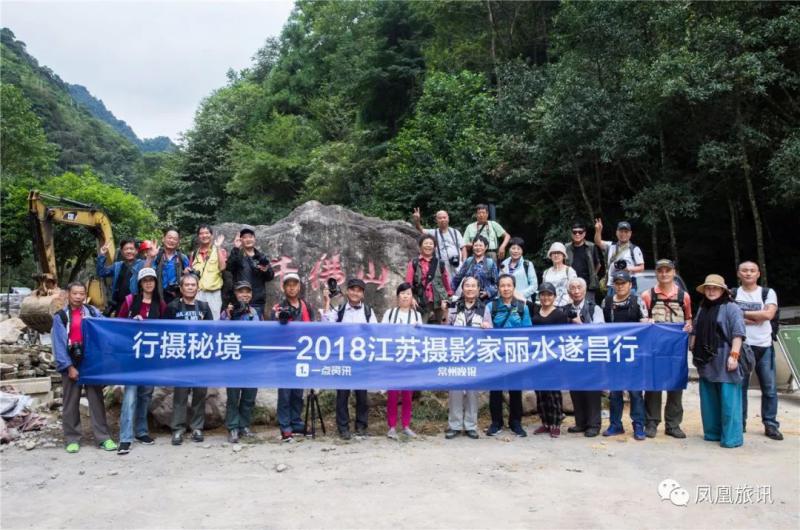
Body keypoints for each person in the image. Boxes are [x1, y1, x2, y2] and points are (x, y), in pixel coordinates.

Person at [51, 282, 117, 453]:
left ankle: (103, 437)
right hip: (71, 361)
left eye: (81, 293)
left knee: (96, 400)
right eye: (75, 293)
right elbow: (59, 345)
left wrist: (131, 321)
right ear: (68, 294)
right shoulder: (61, 317)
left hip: (91, 361)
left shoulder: (93, 312)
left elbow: (108, 327)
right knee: (70, 402)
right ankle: (72, 438)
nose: (78, 297)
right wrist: (68, 367)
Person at [691, 274, 749, 448]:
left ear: (722, 290)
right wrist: (692, 348)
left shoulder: (731, 308)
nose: (711, 291)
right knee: (709, 400)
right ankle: (712, 433)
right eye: (708, 288)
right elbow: (695, 329)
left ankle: (731, 438)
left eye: (715, 288)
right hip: (706, 358)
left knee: (729, 400)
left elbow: (738, 333)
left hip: (725, 356)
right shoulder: (703, 308)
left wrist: (734, 355)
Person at [115, 267, 167, 455]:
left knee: (146, 395)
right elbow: (118, 324)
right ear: (140, 283)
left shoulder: (160, 304)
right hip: (132, 356)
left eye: (151, 280)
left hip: (150, 357)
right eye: (145, 280)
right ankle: (125, 437)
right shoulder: (130, 301)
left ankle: (141, 431)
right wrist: (132, 320)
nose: (148, 283)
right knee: (130, 395)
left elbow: (165, 329)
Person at [640, 258, 692, 439]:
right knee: (653, 385)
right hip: (654, 348)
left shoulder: (684, 296)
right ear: (656, 273)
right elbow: (641, 319)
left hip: (676, 349)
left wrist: (689, 326)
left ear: (674, 272)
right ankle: (651, 422)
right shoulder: (647, 295)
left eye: (667, 271)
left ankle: (673, 424)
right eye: (660, 271)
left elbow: (688, 317)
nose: (664, 274)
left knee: (676, 385)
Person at [323, 278, 378, 439]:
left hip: (361, 360)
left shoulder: (368, 311)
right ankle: (343, 428)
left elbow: (376, 332)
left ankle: (361, 426)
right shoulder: (339, 309)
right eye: (352, 289)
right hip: (343, 358)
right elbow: (325, 325)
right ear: (347, 291)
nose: (355, 293)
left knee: (362, 395)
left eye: (359, 290)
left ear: (363, 294)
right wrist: (327, 302)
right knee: (342, 395)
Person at [734, 261, 783, 440]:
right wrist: (757, 316)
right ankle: (740, 424)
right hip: (741, 346)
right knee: (740, 388)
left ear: (758, 274)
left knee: (769, 389)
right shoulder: (733, 293)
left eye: (752, 270)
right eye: (744, 270)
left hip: (764, 346)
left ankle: (770, 425)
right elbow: (729, 316)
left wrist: (741, 313)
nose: (748, 273)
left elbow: (768, 315)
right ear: (738, 273)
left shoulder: (767, 293)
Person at [164, 273, 214, 445]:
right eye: (187, 285)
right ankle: (178, 429)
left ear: (197, 288)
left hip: (200, 357)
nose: (190, 287)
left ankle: (197, 427)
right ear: (181, 288)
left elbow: (211, 331)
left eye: (193, 285)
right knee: (180, 394)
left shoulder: (204, 307)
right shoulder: (172, 307)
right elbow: (165, 331)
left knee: (200, 393)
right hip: (180, 358)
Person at [601, 271, 649, 441]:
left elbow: (646, 323)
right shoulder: (606, 302)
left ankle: (638, 425)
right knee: (615, 392)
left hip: (634, 353)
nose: (620, 286)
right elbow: (601, 326)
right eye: (617, 283)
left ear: (630, 284)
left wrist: (646, 322)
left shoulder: (637, 301)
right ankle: (615, 424)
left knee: (635, 392)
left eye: (623, 283)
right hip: (614, 353)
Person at [483, 274, 532, 437]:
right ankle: (496, 422)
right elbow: (486, 329)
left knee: (515, 389)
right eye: (502, 285)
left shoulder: (522, 307)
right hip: (496, 353)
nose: (505, 288)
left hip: (515, 353)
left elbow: (528, 331)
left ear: (514, 287)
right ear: (498, 288)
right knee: (495, 389)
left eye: (509, 285)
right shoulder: (491, 306)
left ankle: (515, 422)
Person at [270, 272, 315, 442]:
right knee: (285, 392)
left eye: (294, 284)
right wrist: (276, 319)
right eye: (288, 285)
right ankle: (285, 425)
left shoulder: (306, 306)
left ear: (299, 287)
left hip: (302, 354)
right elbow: (271, 331)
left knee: (298, 391)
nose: (291, 288)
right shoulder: (278, 308)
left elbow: (313, 329)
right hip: (284, 355)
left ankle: (296, 421)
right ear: (284, 288)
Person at [381, 283, 423, 439]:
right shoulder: (390, 314)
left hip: (409, 358)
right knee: (392, 394)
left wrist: (418, 329)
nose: (405, 296)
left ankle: (406, 425)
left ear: (412, 297)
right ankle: (391, 426)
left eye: (408, 294)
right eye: (403, 293)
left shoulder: (417, 316)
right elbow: (381, 333)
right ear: (398, 296)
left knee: (407, 395)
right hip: (393, 357)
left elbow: (421, 338)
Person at [221, 281, 261, 444]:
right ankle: (232, 427)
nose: (245, 295)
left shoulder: (255, 312)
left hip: (251, 359)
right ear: (235, 294)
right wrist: (229, 316)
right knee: (233, 396)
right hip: (233, 359)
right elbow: (220, 330)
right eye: (241, 292)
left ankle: (244, 425)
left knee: (249, 395)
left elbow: (261, 332)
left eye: (247, 291)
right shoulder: (228, 311)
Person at [565, 277, 605, 437]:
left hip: (591, 354)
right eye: (572, 288)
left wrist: (579, 324)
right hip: (573, 354)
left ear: (585, 289)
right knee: (575, 389)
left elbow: (600, 331)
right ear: (568, 292)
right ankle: (580, 423)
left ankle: (594, 424)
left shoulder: (594, 308)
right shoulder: (566, 309)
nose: (576, 291)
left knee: (592, 390)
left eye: (579, 287)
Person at [445, 277, 484, 440]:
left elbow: (491, 332)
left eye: (473, 286)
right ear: (462, 288)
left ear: (478, 289)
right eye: (467, 285)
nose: (470, 288)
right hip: (457, 353)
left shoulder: (484, 308)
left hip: (475, 355)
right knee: (455, 390)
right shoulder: (454, 307)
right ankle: (454, 425)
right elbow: (446, 329)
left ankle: (471, 425)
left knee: (472, 392)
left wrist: (487, 328)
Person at [530, 283, 569, 438]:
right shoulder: (535, 312)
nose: (546, 298)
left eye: (549, 295)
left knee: (553, 393)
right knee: (540, 392)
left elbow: (564, 337)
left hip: (553, 358)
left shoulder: (560, 314)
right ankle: (545, 422)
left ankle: (555, 423)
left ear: (554, 297)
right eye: (543, 294)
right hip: (537, 357)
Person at [131, 227, 190, 304]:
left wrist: (186, 274)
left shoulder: (182, 258)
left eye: (175, 239)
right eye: (169, 237)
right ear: (163, 239)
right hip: (157, 296)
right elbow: (145, 274)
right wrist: (150, 257)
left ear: (178, 242)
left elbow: (189, 278)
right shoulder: (156, 255)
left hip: (177, 297)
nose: (171, 240)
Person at [227, 225, 275, 318]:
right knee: (239, 325)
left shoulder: (261, 257)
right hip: (240, 300)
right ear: (241, 240)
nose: (248, 239)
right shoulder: (238, 256)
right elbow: (229, 267)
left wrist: (266, 270)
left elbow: (270, 276)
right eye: (245, 237)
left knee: (256, 325)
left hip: (257, 301)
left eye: (250, 237)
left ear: (254, 239)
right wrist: (236, 248)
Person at [406, 234, 453, 324]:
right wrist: (411, 298)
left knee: (443, 326)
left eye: (431, 244)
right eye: (426, 243)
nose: (428, 245)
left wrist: (448, 298)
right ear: (420, 246)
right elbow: (408, 283)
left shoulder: (440, 263)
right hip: (421, 300)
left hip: (439, 301)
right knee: (420, 326)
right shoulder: (414, 263)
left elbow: (446, 282)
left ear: (434, 247)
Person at [412, 207, 466, 278]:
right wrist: (417, 221)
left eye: (444, 217)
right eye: (440, 218)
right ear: (436, 220)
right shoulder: (433, 232)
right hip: (442, 266)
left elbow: (463, 247)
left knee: (460, 282)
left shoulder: (455, 232)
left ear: (448, 218)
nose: (442, 220)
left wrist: (464, 262)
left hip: (457, 264)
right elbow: (420, 230)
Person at [593, 219, 644, 289]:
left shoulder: (634, 249)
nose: (623, 234)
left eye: (626, 232)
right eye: (621, 231)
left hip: (628, 284)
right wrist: (598, 231)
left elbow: (641, 268)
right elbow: (598, 242)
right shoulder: (611, 246)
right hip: (612, 283)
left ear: (630, 233)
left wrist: (627, 268)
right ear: (616, 232)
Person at [190, 224, 227, 320]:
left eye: (207, 233)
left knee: (214, 321)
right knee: (197, 320)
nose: (204, 235)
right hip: (197, 293)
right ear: (198, 236)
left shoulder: (220, 250)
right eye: (201, 233)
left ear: (212, 235)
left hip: (213, 293)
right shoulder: (194, 253)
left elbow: (222, 267)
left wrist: (218, 247)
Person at [96, 238, 141, 316]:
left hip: (135, 304)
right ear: (122, 252)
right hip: (119, 305)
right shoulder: (117, 265)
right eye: (126, 249)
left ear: (136, 251)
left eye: (131, 249)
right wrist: (102, 255)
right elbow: (101, 272)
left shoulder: (142, 264)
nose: (129, 251)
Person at [450, 236, 499, 301]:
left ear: (486, 247)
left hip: (485, 300)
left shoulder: (490, 263)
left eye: (480, 245)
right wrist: (450, 293)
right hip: (467, 298)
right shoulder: (468, 261)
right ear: (473, 247)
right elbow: (457, 278)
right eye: (476, 245)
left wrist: (488, 292)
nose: (478, 248)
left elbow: (497, 283)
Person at [565, 222, 601, 301]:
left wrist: (593, 275)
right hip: (571, 285)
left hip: (588, 286)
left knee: (588, 306)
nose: (577, 234)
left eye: (580, 232)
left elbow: (598, 264)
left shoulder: (591, 246)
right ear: (571, 234)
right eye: (574, 232)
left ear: (584, 234)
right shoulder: (567, 247)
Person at [500, 237, 538, 302]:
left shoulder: (527, 264)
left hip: (523, 301)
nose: (516, 251)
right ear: (509, 249)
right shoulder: (504, 264)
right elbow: (500, 282)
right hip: (505, 301)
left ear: (522, 250)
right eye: (513, 248)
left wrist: (519, 295)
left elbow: (534, 285)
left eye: (518, 249)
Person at [542, 242, 577, 307]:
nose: (556, 255)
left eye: (558, 253)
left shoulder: (569, 271)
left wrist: (570, 305)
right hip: (549, 306)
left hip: (565, 306)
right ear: (550, 256)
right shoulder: (546, 272)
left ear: (563, 255)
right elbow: (543, 291)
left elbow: (574, 289)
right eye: (554, 253)